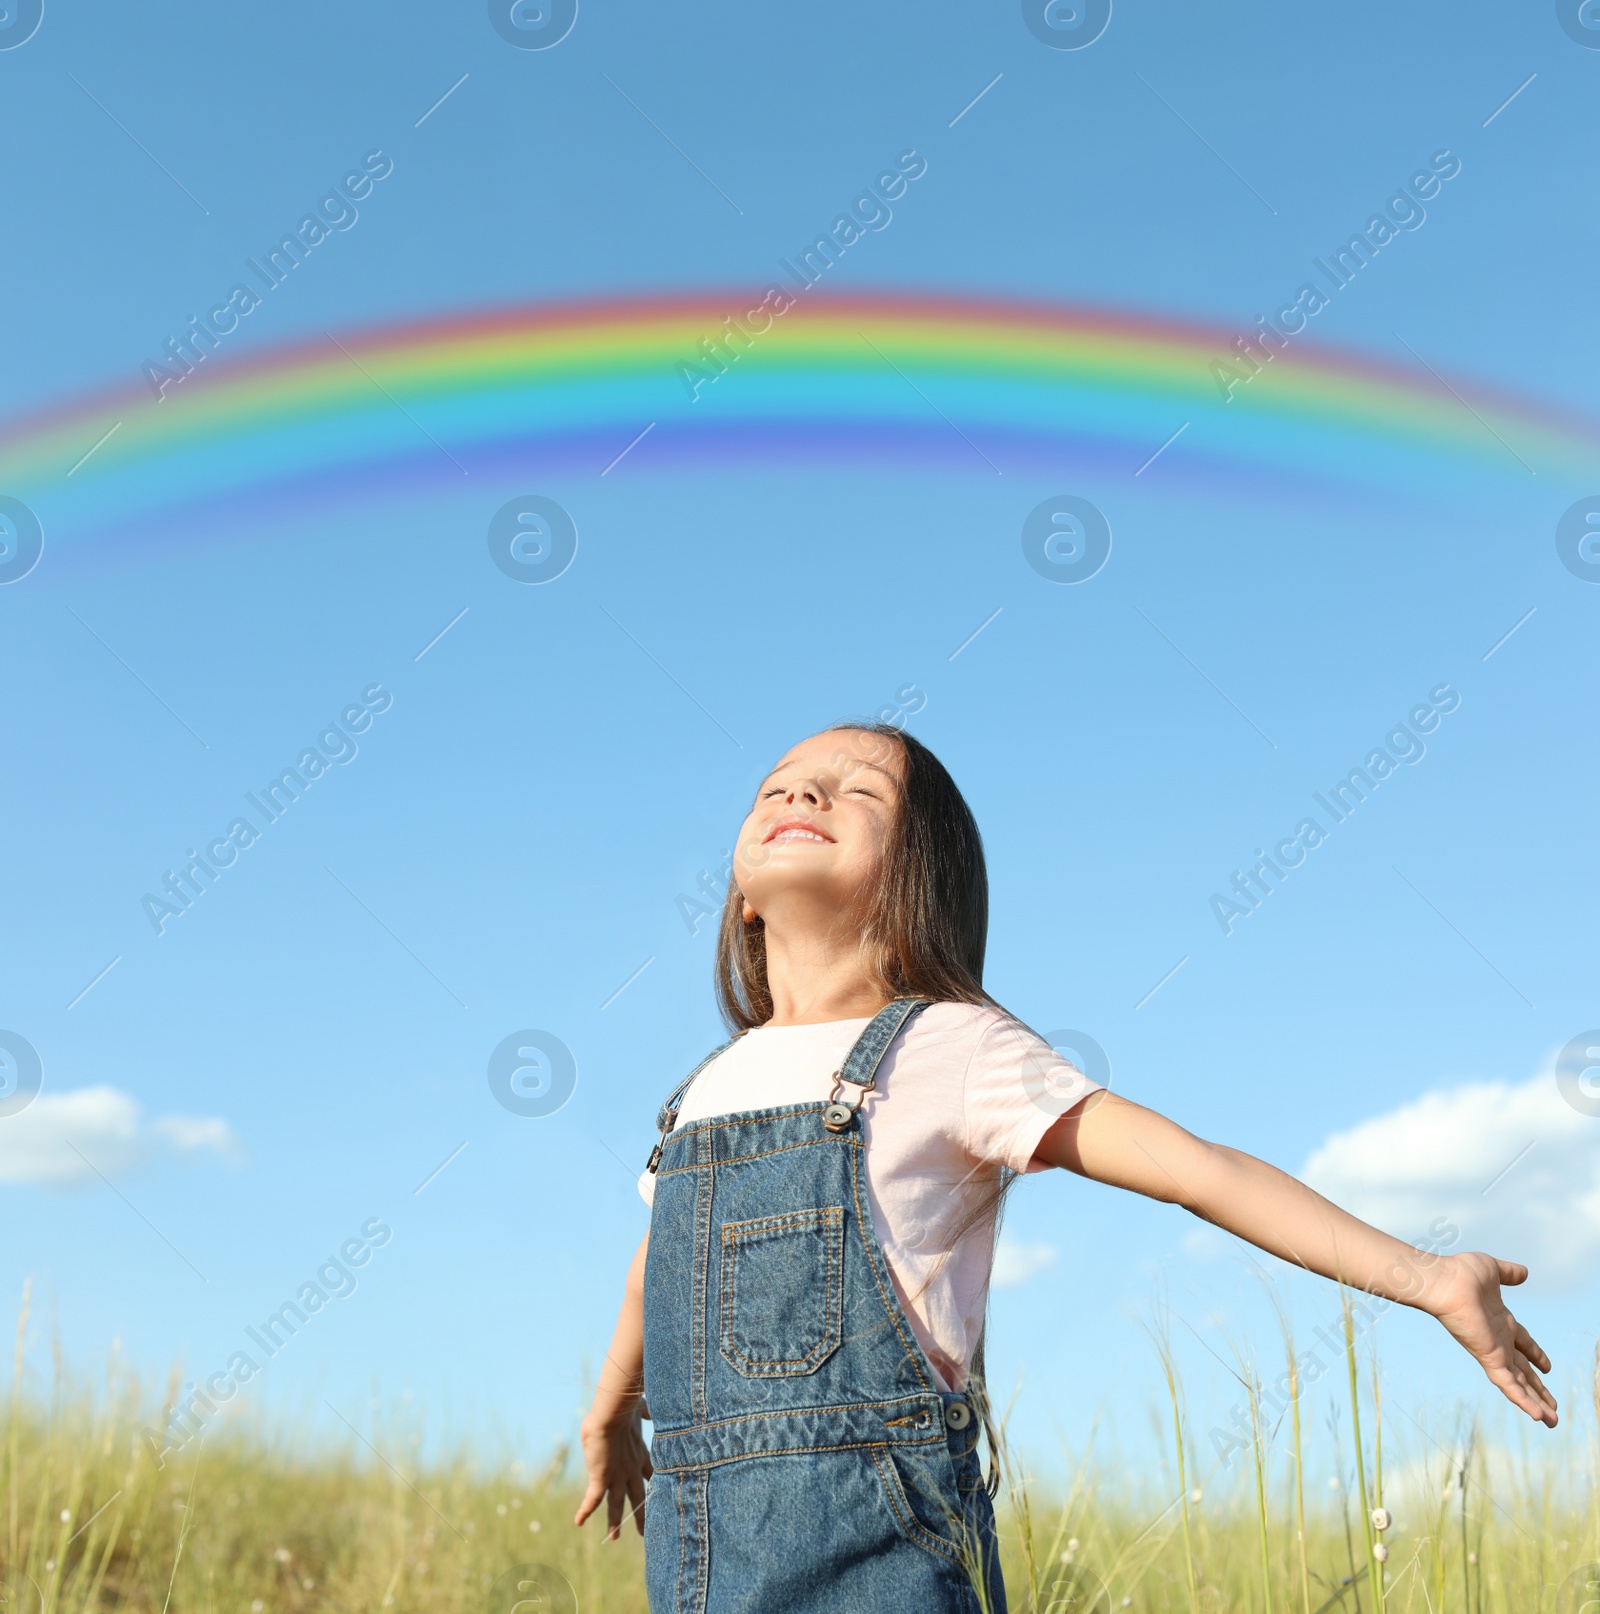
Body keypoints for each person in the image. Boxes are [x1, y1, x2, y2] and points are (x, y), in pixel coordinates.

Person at [575, 723, 1557, 1613]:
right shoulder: (704, 1086)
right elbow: (656, 1262)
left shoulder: (950, 1049)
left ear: (919, 876)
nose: (801, 795)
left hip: (880, 1536)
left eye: (855, 791)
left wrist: (1425, 1277)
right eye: (777, 786)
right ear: (741, 899)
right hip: (704, 1543)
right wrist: (614, 1408)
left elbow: (1194, 1169)